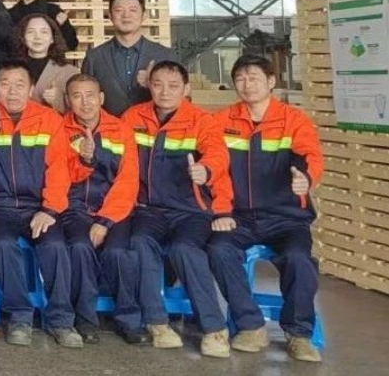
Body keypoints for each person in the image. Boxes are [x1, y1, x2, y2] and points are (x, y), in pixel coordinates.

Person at [208, 55, 324, 362]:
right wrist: (221, 211)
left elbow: (309, 155)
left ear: (271, 82)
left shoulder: (293, 119)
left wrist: (306, 178)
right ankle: (251, 325)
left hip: (286, 217)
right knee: (218, 250)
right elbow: (216, 169)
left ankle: (299, 334)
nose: (247, 85)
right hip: (239, 216)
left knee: (299, 260)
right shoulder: (221, 121)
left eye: (254, 78)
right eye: (241, 79)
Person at [120, 61, 234, 357]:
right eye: (158, 84)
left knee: (185, 249)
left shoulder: (201, 120)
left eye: (173, 86)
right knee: (139, 242)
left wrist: (205, 170)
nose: (165, 92)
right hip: (148, 209)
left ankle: (214, 329)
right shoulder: (133, 117)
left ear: (186, 89)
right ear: (149, 86)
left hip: (190, 211)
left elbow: (217, 154)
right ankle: (157, 323)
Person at [0, 60, 79, 348]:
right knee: (3, 246)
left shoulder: (48, 119)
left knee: (55, 246)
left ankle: (61, 320)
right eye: (5, 84)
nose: (12, 91)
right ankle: (19, 317)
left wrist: (50, 209)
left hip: (38, 205)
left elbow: (58, 169)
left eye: (19, 85)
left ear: (31, 89)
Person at [61, 73, 141, 345]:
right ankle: (85, 318)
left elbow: (128, 181)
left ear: (102, 98)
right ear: (67, 100)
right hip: (74, 209)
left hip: (114, 211)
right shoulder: (59, 129)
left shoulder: (121, 130)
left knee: (118, 252)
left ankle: (129, 320)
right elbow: (58, 176)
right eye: (77, 96)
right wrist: (84, 160)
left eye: (90, 95)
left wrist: (105, 220)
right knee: (80, 247)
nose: (85, 103)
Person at [82, 0, 179, 116]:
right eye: (119, 10)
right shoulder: (94, 57)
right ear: (110, 16)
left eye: (133, 10)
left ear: (144, 15)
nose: (126, 15)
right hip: (109, 127)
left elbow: (182, 99)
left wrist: (152, 85)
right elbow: (85, 97)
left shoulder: (165, 55)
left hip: (153, 126)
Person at [12, 13, 79, 114]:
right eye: (31, 32)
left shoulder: (70, 72)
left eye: (44, 32)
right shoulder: (9, 69)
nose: (37, 37)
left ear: (52, 38)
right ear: (23, 37)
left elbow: (79, 112)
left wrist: (59, 101)